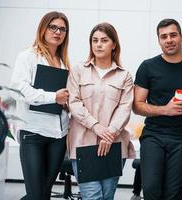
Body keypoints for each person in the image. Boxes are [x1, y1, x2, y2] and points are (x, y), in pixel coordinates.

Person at [133, 18, 182, 200]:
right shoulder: (148, 67)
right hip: (154, 136)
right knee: (151, 190)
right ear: (159, 41)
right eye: (163, 36)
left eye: (173, 35)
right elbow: (137, 105)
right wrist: (165, 109)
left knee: (173, 194)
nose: (169, 40)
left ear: (181, 37)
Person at [66, 22, 135, 200]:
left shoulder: (124, 75)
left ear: (114, 45)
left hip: (113, 145)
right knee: (92, 196)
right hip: (83, 144)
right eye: (94, 40)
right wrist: (97, 127)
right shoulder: (78, 71)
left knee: (107, 196)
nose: (98, 44)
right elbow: (73, 102)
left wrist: (109, 133)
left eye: (104, 40)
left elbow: (125, 107)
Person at [10, 11, 70, 200]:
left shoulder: (63, 63)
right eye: (53, 27)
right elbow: (18, 90)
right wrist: (54, 97)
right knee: (36, 195)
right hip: (33, 133)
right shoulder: (28, 56)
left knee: (44, 194)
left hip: (58, 136)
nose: (58, 32)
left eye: (62, 29)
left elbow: (64, 98)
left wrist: (67, 103)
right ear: (43, 29)